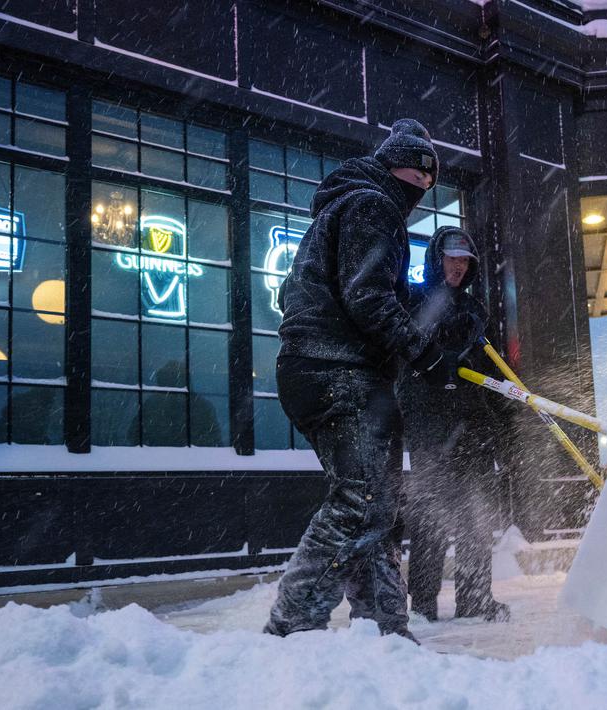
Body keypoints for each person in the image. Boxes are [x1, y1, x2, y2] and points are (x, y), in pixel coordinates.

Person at [263, 119, 459, 641]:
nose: (420, 190)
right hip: (338, 371)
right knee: (363, 499)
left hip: (319, 370)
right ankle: (294, 622)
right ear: (396, 167)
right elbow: (368, 296)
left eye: (428, 184)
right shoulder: (372, 207)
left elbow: (312, 295)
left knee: (372, 505)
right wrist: (421, 352)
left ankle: (385, 630)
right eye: (417, 178)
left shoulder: (342, 208)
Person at [398, 225, 510, 624]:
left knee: (476, 517)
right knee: (430, 519)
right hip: (432, 428)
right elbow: (406, 363)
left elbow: (495, 370)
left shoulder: (476, 311)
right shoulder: (413, 302)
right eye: (452, 259)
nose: (458, 267)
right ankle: (423, 606)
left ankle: (476, 600)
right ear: (435, 259)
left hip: (474, 427)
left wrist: (503, 427)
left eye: (465, 261)